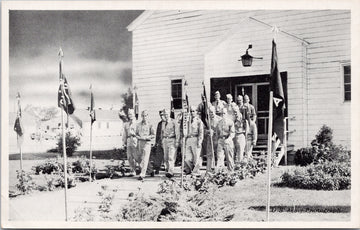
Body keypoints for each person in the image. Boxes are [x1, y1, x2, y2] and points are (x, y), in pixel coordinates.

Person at [135, 110, 155, 180]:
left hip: (147, 143)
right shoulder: (138, 125)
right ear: (141, 116)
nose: (144, 117)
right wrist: (139, 137)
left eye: (145, 115)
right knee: (141, 158)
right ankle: (151, 170)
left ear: (147, 116)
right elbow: (136, 134)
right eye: (143, 116)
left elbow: (153, 135)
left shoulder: (150, 125)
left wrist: (147, 137)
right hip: (140, 142)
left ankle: (142, 174)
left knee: (145, 158)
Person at [184, 106, 204, 176]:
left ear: (196, 112)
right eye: (191, 111)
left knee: (196, 157)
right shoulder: (187, 121)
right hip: (188, 139)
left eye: (193, 111)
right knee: (187, 158)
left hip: (195, 139)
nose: (192, 113)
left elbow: (201, 132)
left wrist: (200, 141)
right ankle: (191, 169)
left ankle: (196, 172)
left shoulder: (199, 121)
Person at [161, 109, 180, 178]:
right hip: (165, 140)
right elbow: (162, 132)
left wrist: (177, 141)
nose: (165, 115)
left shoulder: (174, 122)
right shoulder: (163, 123)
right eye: (164, 114)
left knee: (171, 157)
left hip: (172, 140)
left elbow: (177, 132)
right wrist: (162, 140)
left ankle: (171, 171)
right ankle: (167, 169)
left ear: (169, 114)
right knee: (165, 157)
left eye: (166, 114)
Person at [215, 107, 235, 171]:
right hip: (221, 140)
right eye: (221, 113)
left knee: (229, 157)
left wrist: (229, 139)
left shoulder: (230, 122)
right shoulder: (219, 122)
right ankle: (220, 172)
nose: (223, 115)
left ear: (226, 114)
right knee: (219, 157)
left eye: (224, 113)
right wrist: (218, 140)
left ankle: (231, 172)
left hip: (228, 140)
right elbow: (217, 132)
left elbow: (232, 133)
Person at [147, 110, 166, 176]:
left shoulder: (168, 122)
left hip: (167, 140)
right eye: (160, 115)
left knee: (167, 156)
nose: (162, 116)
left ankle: (167, 169)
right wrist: (156, 142)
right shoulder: (160, 123)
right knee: (158, 155)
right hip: (160, 141)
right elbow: (157, 133)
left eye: (163, 115)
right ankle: (157, 169)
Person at [122, 109, 139, 176]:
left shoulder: (137, 123)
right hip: (129, 140)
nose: (130, 116)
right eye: (129, 114)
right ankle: (133, 170)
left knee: (137, 157)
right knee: (129, 157)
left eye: (131, 114)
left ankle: (147, 169)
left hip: (135, 140)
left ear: (134, 114)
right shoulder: (126, 124)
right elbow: (125, 134)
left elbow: (139, 133)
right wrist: (124, 142)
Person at [205, 105, 221, 173]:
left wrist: (215, 132)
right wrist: (208, 131)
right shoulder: (207, 120)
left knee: (218, 154)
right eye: (210, 112)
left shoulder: (219, 119)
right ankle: (208, 171)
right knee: (209, 155)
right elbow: (204, 130)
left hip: (217, 139)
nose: (211, 114)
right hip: (210, 139)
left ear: (215, 111)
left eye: (212, 112)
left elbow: (222, 130)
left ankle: (218, 170)